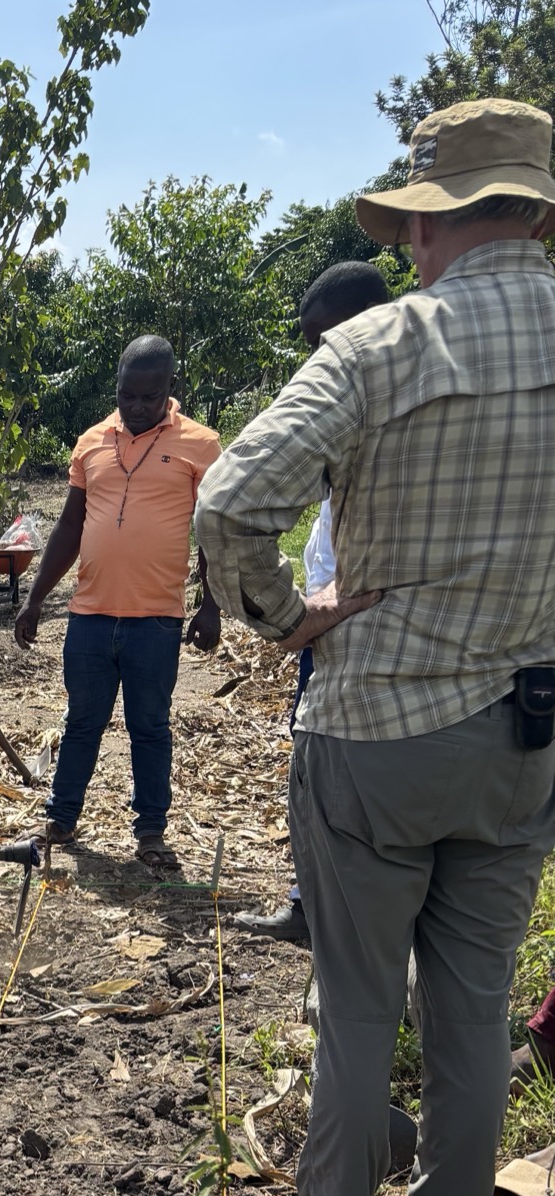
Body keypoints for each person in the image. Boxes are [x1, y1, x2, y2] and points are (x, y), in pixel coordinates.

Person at [194, 97, 555, 1196]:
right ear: (537, 213)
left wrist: (286, 619)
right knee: (475, 1009)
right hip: (525, 736)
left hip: (378, 734)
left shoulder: (380, 346)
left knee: (356, 1009)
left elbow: (230, 505)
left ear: (425, 226)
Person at [15, 337, 222, 869]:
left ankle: (150, 831)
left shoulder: (201, 445)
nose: (136, 407)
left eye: (149, 397)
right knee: (82, 720)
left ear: (171, 388)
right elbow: (70, 525)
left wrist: (211, 604)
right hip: (89, 615)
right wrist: (35, 598)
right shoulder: (91, 442)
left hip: (156, 619)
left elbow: (212, 533)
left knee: (149, 727)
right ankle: (61, 819)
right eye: (126, 395)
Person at [237, 262, 393, 946]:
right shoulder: (343, 404)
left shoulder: (400, 406)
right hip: (325, 631)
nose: (319, 358)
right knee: (310, 778)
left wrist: (286, 617)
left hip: (366, 637)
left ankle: (351, 922)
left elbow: (232, 509)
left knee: (352, 786)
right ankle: (310, 902)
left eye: (327, 339)